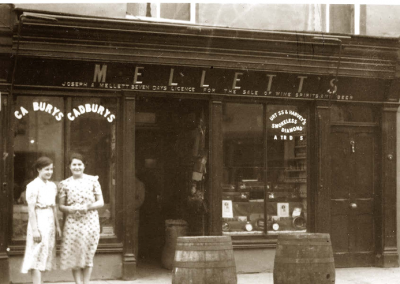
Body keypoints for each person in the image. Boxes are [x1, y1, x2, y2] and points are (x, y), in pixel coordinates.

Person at [58, 153, 104, 284]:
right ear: (69, 166)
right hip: (73, 223)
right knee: (75, 255)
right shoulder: (64, 184)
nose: (77, 167)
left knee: (88, 254)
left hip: (90, 221)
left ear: (84, 166)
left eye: (79, 164)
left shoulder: (93, 181)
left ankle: (86, 282)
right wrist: (69, 209)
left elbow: (100, 202)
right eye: (74, 164)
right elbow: (60, 206)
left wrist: (87, 207)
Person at [21, 157, 62, 284]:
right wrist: (35, 230)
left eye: (51, 169)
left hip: (49, 220)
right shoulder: (32, 186)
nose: (49, 172)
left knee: (45, 252)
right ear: (39, 170)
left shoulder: (52, 186)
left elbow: (53, 207)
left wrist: (57, 226)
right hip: (39, 220)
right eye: (46, 169)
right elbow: (31, 210)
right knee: (36, 254)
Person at [134, 175, 145, 259]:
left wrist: (130, 207)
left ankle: (134, 260)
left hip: (133, 214)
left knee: (133, 237)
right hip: (123, 215)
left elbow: (140, 200)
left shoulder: (139, 184)